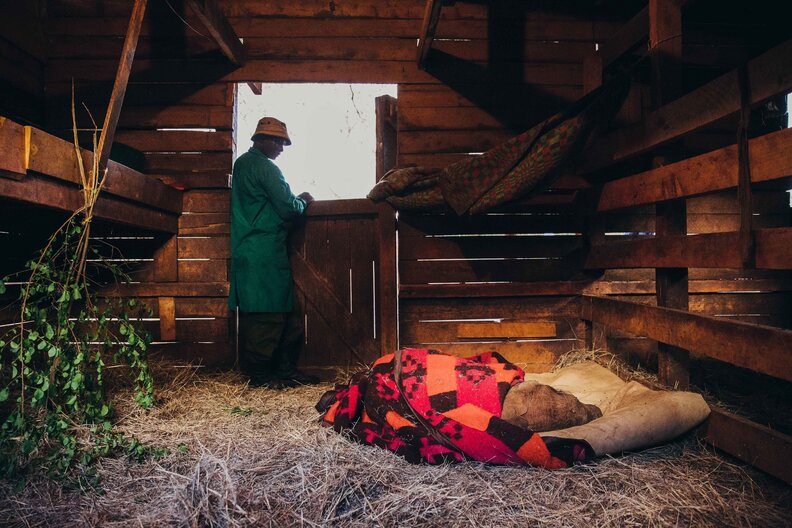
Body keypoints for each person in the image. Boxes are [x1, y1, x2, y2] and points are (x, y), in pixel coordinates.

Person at [229, 117, 320, 389]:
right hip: (264, 252)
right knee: (267, 316)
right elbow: (288, 207)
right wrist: (303, 200)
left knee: (281, 313)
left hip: (252, 250)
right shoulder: (266, 168)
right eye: (279, 141)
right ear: (264, 139)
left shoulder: (242, 164)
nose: (282, 147)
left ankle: (283, 371)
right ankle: (261, 377)